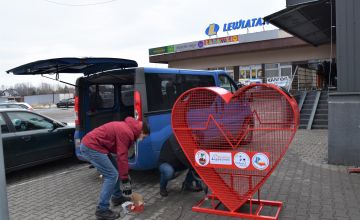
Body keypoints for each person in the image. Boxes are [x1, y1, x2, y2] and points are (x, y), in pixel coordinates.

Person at [80, 117, 149, 220]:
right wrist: (125, 178)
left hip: (99, 147)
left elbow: (121, 155)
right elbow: (122, 156)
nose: (142, 139)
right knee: (112, 175)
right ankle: (102, 210)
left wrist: (124, 174)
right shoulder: (126, 132)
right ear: (141, 131)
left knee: (115, 171)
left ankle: (117, 197)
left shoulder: (128, 128)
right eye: (144, 136)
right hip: (91, 147)